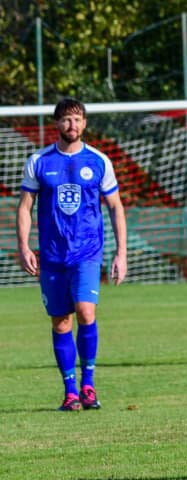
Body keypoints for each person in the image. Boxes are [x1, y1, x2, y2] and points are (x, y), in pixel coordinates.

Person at [16, 97, 128, 411]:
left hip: (87, 253)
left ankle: (88, 385)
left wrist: (121, 253)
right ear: (57, 123)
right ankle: (70, 393)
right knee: (61, 322)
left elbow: (116, 207)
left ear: (85, 123)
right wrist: (23, 246)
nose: (72, 125)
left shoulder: (99, 161)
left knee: (85, 312)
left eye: (77, 119)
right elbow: (25, 207)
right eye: (66, 119)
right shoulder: (38, 161)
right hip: (52, 256)